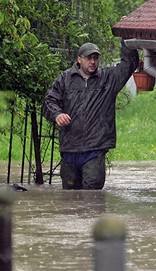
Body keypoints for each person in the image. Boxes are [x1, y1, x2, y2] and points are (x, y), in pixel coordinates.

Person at [43, 41, 139, 189]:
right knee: (69, 199)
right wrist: (57, 115)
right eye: (89, 58)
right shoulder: (64, 79)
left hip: (95, 150)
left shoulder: (108, 78)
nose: (92, 62)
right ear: (79, 59)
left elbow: (129, 65)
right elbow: (49, 101)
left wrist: (125, 39)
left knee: (92, 199)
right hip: (69, 149)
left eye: (95, 58)